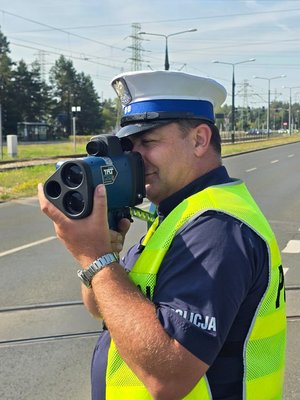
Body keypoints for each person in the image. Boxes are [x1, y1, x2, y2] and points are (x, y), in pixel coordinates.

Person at [38, 70, 286, 400]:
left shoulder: (217, 227)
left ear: (199, 140)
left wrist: (95, 258)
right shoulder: (176, 213)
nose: (133, 158)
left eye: (148, 142)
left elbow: (167, 376)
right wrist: (103, 253)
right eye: (128, 146)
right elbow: (102, 306)